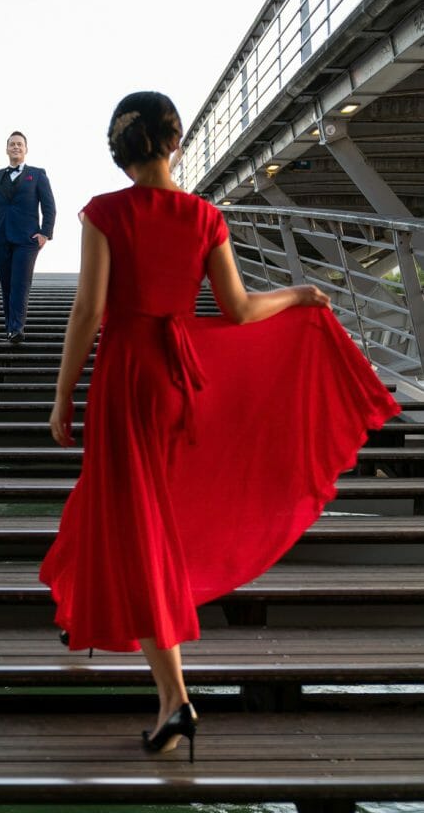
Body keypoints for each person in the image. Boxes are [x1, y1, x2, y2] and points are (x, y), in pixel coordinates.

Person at [39, 90, 400, 762]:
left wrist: (61, 397)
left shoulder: (104, 214)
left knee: (138, 524)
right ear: (172, 143)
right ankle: (78, 612)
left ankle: (174, 697)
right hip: (179, 382)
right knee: (121, 506)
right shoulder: (205, 217)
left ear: (121, 150)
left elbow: (87, 312)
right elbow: (234, 310)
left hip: (125, 378)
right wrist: (298, 294)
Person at [0, 132, 56, 343]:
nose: (16, 147)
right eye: (12, 144)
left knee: (20, 283)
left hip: (27, 240)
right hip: (1, 239)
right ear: (7, 149)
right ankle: (10, 330)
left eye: (20, 144)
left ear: (26, 149)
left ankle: (17, 329)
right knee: (6, 285)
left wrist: (45, 234)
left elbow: (49, 207)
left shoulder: (38, 175)